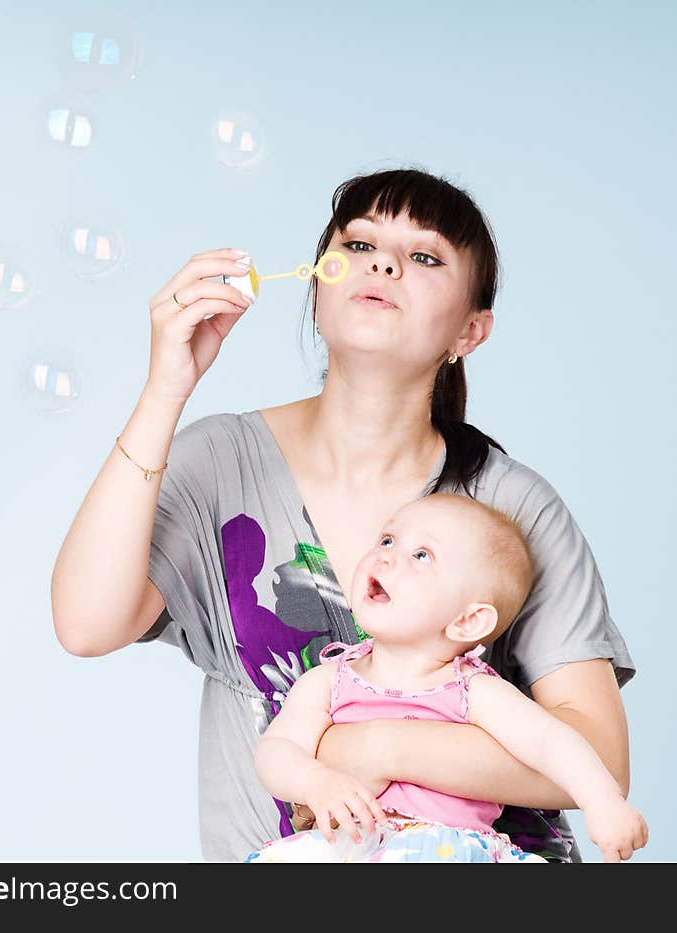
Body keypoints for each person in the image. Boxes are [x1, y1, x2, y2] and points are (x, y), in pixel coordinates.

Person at [50, 167, 636, 863]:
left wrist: (373, 745)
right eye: (358, 244)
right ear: (318, 287)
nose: (383, 262)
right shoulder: (218, 461)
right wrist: (166, 388)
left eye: (423, 257)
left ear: (471, 331)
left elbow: (601, 760)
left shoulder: (513, 504)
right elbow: (86, 625)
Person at [246, 492, 648, 863]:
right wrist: (314, 781)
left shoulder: (473, 691)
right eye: (387, 540)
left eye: (422, 555)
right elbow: (276, 750)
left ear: (468, 620)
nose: (386, 557)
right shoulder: (328, 680)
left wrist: (602, 802)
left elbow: (550, 742)